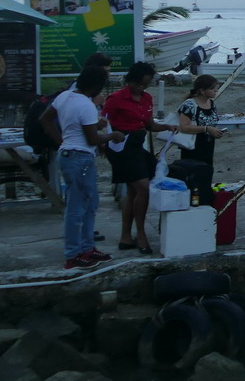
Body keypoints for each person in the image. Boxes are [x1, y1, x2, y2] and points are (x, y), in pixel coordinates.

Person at [41, 66, 121, 269]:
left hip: (69, 154)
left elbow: (45, 119)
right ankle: (73, 254)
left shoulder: (64, 96)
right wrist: (112, 135)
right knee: (77, 208)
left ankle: (87, 248)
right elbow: (93, 139)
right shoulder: (86, 105)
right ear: (95, 86)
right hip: (80, 158)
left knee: (90, 204)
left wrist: (61, 142)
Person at [102, 62, 175, 254]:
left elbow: (150, 125)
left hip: (137, 145)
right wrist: (105, 140)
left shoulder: (147, 98)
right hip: (120, 147)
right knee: (143, 187)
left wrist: (168, 126)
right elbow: (103, 122)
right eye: (141, 83)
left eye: (147, 84)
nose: (143, 87)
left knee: (133, 192)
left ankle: (126, 236)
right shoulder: (116, 98)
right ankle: (141, 233)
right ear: (131, 81)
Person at [177, 74, 226, 166]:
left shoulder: (211, 103)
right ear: (202, 91)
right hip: (192, 147)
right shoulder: (189, 104)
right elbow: (184, 127)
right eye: (212, 88)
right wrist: (206, 129)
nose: (216, 90)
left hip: (208, 146)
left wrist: (216, 132)